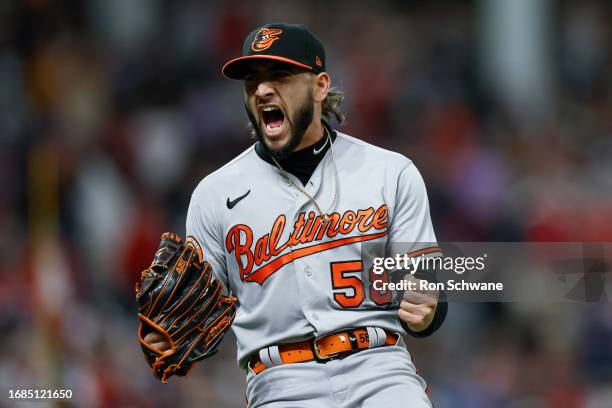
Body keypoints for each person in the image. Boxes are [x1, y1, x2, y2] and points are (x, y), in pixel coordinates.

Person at [145, 22, 447, 407]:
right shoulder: (214, 194)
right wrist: (175, 335)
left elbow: (428, 294)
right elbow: (197, 315)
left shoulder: (390, 171)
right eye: (252, 80)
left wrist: (428, 310)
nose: (263, 89)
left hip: (379, 370)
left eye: (281, 76)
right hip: (279, 383)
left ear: (320, 86)